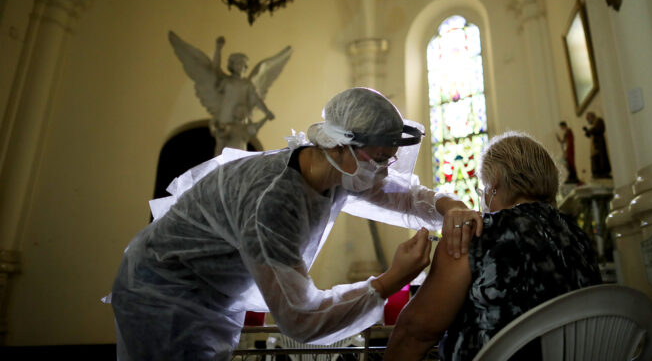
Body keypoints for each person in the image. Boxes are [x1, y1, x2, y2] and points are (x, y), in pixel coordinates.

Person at [107, 87, 482, 360]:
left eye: (390, 159)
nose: (384, 170)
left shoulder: (335, 172)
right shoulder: (271, 202)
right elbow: (299, 318)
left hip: (213, 298)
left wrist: (449, 206)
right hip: (163, 296)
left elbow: (400, 194)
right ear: (338, 146)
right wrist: (389, 281)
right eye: (379, 159)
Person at [384, 131, 602, 361]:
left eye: (483, 190)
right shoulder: (579, 238)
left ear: (493, 184)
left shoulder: (475, 233)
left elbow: (414, 334)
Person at [583, 111, 612, 178]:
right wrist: (587, 131)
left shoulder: (598, 121)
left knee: (601, 160)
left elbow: (597, 129)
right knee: (595, 161)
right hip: (595, 147)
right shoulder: (594, 124)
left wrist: (589, 131)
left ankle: (603, 173)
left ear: (592, 116)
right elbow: (590, 133)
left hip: (599, 146)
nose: (588, 121)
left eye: (588, 118)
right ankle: (597, 173)